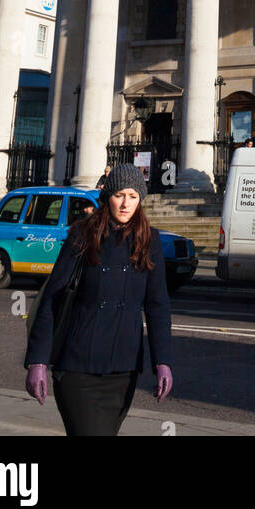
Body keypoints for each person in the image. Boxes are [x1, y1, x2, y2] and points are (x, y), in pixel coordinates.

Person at [24, 164, 174, 437]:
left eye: (133, 196)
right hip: (78, 368)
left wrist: (162, 361)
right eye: (120, 195)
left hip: (122, 370)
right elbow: (51, 299)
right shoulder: (83, 234)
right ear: (108, 197)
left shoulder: (148, 240)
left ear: (140, 200)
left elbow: (157, 305)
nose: (126, 203)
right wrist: (37, 362)